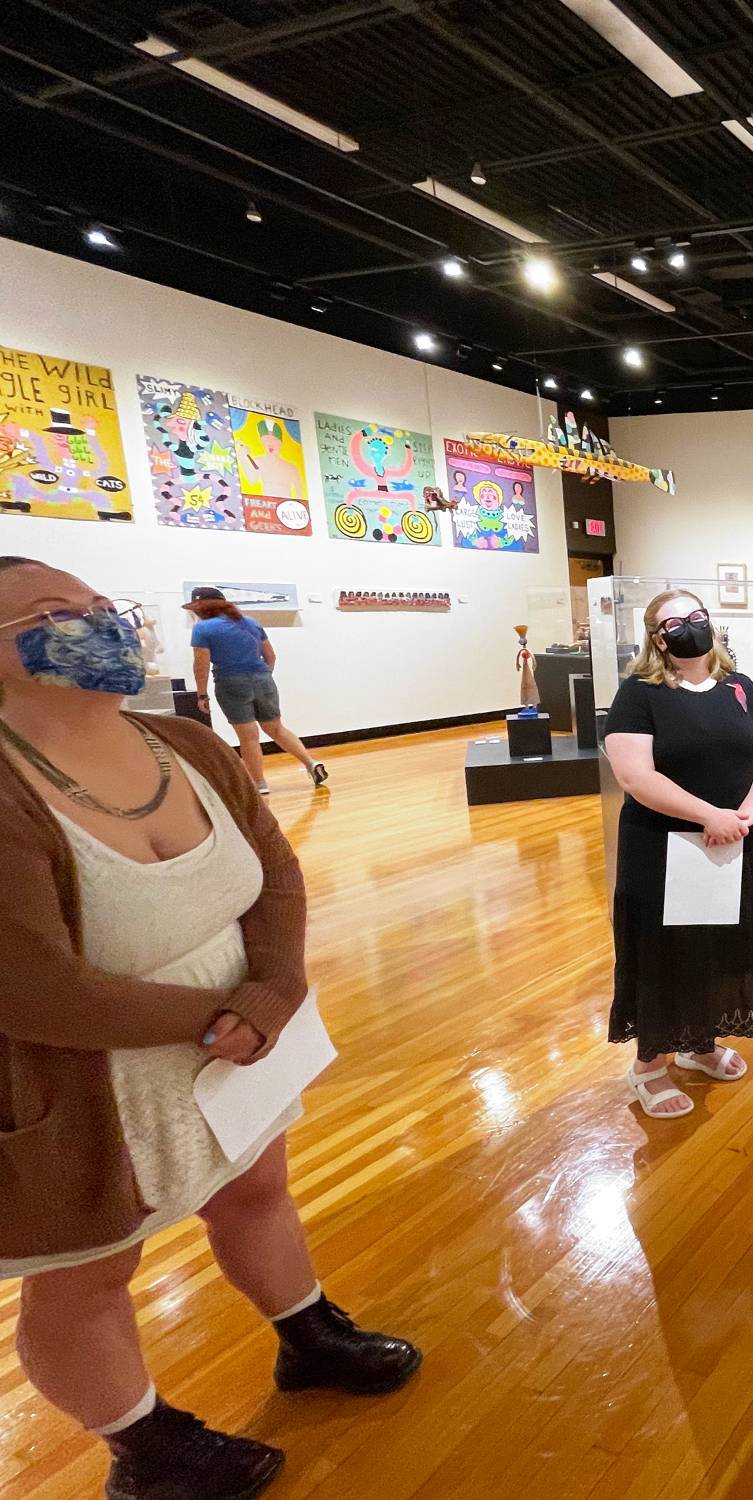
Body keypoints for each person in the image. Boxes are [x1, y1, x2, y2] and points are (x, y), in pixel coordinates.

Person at [0, 557, 420, 1500]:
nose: (98, 623)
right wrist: (229, 1015)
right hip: (80, 1079)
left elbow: (275, 875)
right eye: (54, 614)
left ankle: (307, 1333)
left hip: (236, 1045)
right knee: (88, 1268)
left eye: (100, 605)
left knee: (256, 1187)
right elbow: (33, 993)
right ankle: (143, 1448)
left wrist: (272, 990)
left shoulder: (183, 744)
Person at [603, 589, 753, 1120]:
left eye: (696, 616)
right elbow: (635, 776)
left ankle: (699, 1042)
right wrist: (710, 815)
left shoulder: (740, 687)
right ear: (658, 639)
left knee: (717, 943)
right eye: (674, 622)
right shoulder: (639, 693)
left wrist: (742, 816)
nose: (690, 626)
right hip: (664, 846)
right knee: (664, 950)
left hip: (733, 842)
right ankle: (649, 1066)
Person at [185, 587, 326, 794]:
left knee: (248, 736)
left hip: (230, 682)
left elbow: (201, 664)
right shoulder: (251, 623)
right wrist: (262, 677)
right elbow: (271, 657)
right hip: (263, 679)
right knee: (276, 729)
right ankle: (310, 763)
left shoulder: (203, 628)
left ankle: (259, 784)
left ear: (203, 607)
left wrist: (202, 694)